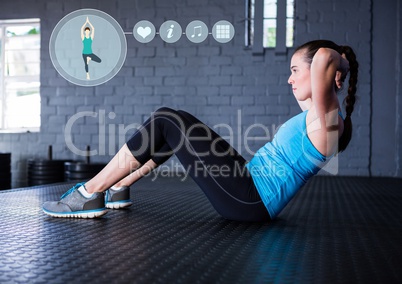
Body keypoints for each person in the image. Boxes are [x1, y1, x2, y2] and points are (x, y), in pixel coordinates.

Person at [43, 40, 358, 221]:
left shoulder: (327, 120)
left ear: (326, 77)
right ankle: (118, 187)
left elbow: (322, 58)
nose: (289, 80)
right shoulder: (318, 118)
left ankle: (89, 193)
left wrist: (340, 63)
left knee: (167, 121)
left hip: (250, 199)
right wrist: (333, 72)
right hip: (247, 183)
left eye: (294, 71)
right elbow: (320, 65)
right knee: (172, 119)